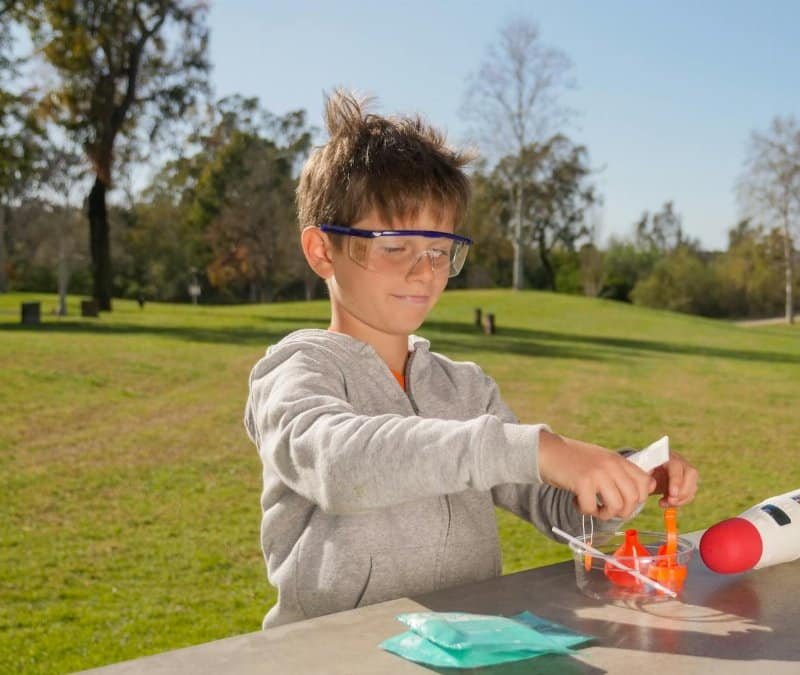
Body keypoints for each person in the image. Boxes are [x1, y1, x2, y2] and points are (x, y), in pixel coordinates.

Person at [243, 89, 699, 629]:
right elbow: (343, 469)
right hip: (340, 656)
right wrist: (537, 447)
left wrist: (622, 477)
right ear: (323, 250)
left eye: (440, 251)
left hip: (465, 646)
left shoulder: (464, 388)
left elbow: (547, 500)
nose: (424, 270)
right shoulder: (295, 373)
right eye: (395, 246)